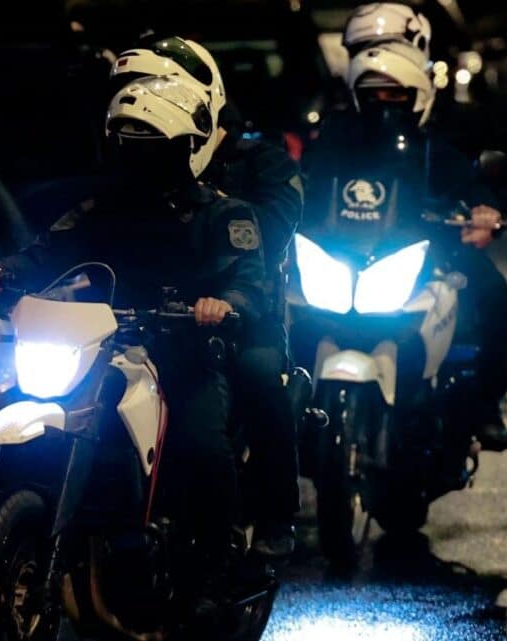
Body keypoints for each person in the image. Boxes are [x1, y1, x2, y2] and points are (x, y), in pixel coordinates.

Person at [0, 53, 266, 624]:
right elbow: (45, 253)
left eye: (154, 150)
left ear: (186, 149)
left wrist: (224, 305)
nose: (141, 162)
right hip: (101, 348)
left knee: (201, 443)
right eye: (131, 148)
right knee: (18, 398)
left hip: (184, 354)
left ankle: (217, 568)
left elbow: (248, 282)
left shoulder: (223, 215)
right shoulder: (101, 209)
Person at [107, 37, 305, 557]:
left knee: (259, 375)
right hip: (152, 314)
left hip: (241, 312)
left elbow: (262, 239)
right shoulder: (140, 158)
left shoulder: (259, 163)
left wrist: (206, 218)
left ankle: (274, 516)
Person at [301, 2, 507, 452]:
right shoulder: (339, 128)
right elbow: (305, 182)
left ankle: (483, 408)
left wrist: (486, 210)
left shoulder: (455, 121)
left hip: (437, 244)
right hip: (349, 250)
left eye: (389, 46)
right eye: (363, 49)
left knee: (491, 294)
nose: (376, 61)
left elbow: (501, 165)